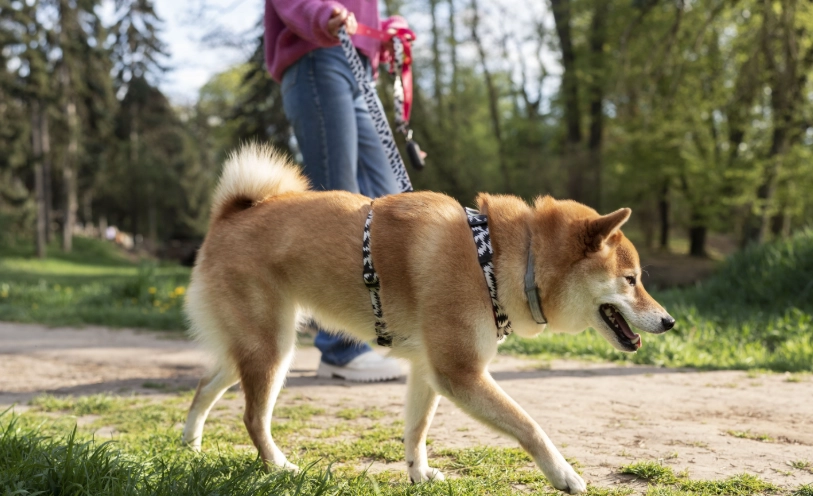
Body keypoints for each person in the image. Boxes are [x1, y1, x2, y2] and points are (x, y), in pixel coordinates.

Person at [265, 1, 408, 382]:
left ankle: (375, 333)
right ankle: (341, 349)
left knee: (390, 204)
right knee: (338, 214)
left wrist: (386, 29)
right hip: (317, 60)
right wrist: (320, 14)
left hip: (359, 65)